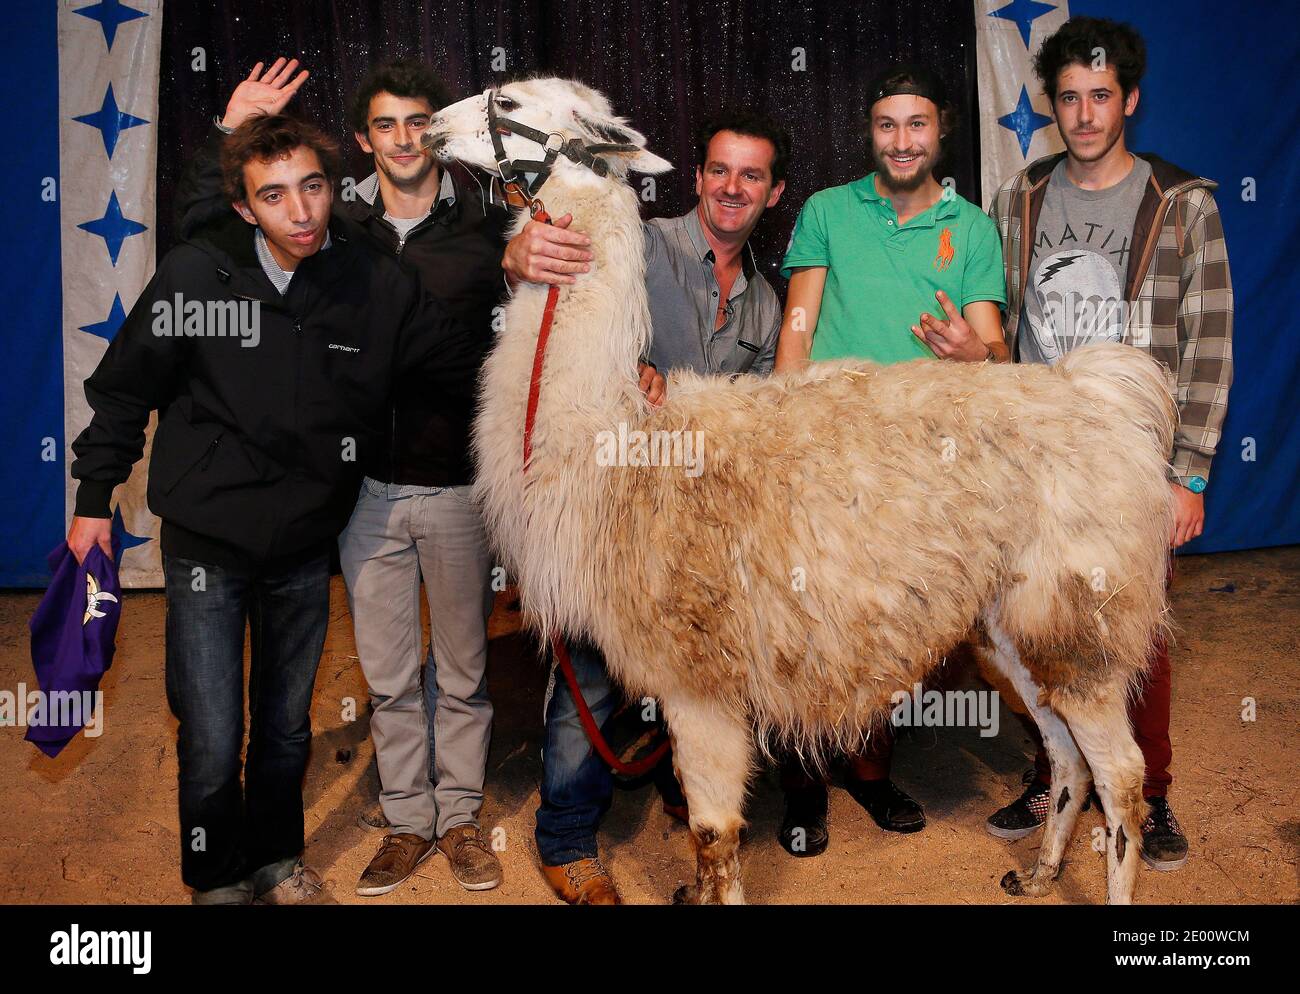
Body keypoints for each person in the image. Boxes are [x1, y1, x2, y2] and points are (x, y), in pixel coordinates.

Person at [69, 113, 479, 904]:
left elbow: (465, 362)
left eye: (314, 187)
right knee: (215, 733)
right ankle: (217, 879)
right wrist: (92, 503)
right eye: (275, 195)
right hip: (207, 547)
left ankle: (274, 860)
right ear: (245, 206)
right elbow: (123, 392)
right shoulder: (197, 277)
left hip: (302, 546)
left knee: (286, 728)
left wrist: (572, 345)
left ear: (333, 188)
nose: (301, 211)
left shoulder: (372, 284)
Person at [503, 108, 789, 903]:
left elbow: (756, 416)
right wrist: (520, 258)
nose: (733, 188)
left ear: (774, 192)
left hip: (700, 522)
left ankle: (687, 793)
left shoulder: (767, 305)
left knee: (699, 669)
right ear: (696, 178)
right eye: (719, 171)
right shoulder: (643, 243)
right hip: (615, 503)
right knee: (592, 674)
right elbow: (557, 292)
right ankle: (565, 837)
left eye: (752, 176)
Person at [985, 16, 1232, 871]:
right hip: (1038, 448)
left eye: (1101, 97)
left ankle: (1149, 791)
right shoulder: (1018, 197)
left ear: (1128, 99)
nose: (1084, 115)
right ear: (1052, 107)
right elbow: (1005, 320)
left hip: (1130, 456)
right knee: (1030, 617)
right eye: (1068, 100)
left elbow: (1212, 342)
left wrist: (1189, 473)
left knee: (1135, 630)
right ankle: (1055, 773)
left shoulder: (1184, 202)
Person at [773, 64, 1009, 856]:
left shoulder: (971, 227)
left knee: (891, 631)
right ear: (869, 133)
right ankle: (802, 784)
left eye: (916, 125)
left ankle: (870, 773)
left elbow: (996, 353)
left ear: (940, 131)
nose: (901, 141)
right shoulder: (827, 211)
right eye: (886, 125)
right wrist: (782, 423)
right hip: (828, 451)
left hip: (920, 468)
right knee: (805, 621)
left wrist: (976, 351)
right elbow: (799, 324)